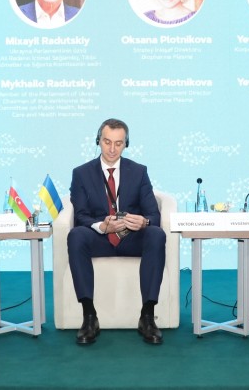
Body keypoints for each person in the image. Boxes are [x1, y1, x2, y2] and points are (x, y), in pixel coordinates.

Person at [68, 118, 165, 345]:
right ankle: (89, 316)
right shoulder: (81, 173)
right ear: (98, 141)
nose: (112, 149)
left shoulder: (139, 172)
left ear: (126, 144)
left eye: (119, 143)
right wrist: (102, 226)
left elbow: (154, 215)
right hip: (99, 238)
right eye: (107, 142)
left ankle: (147, 316)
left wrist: (143, 222)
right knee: (76, 235)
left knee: (156, 234)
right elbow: (80, 215)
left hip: (131, 238)